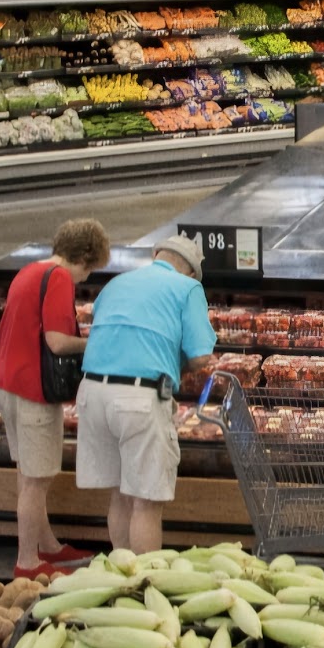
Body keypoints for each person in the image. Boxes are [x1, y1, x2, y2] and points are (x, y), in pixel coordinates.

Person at [75, 233, 216, 556]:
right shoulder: (187, 288)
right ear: (191, 272)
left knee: (120, 495)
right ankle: (143, 584)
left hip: (92, 393)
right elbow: (200, 357)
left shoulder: (116, 283)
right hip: (138, 399)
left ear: (156, 254)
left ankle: (120, 576)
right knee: (146, 502)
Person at [0, 218, 111, 578]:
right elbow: (57, 342)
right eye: (91, 270)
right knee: (36, 479)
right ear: (86, 257)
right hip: (33, 389)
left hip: (6, 381)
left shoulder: (30, 271)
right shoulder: (58, 279)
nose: (86, 279)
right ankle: (27, 561)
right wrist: (96, 342)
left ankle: (47, 546)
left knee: (27, 472)